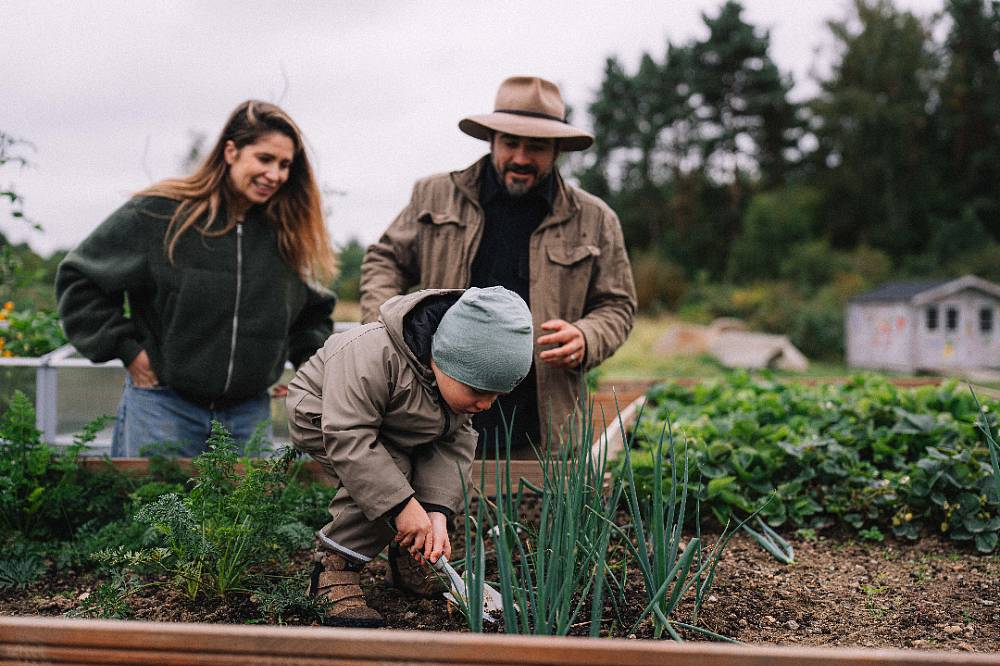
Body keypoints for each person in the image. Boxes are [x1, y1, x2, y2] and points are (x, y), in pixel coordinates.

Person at [361, 75, 637, 457]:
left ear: (557, 149)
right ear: (491, 140)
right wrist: (391, 333)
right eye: (510, 143)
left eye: (537, 147)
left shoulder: (594, 218)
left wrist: (587, 336)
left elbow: (618, 305)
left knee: (534, 516)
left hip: (540, 421)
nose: (521, 158)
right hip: (435, 410)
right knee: (436, 515)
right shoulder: (435, 195)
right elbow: (384, 261)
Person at [56, 100, 337, 457]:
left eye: (285, 165)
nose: (276, 175)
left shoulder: (285, 233)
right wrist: (128, 350)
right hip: (162, 407)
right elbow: (81, 279)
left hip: (248, 417)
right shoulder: (161, 213)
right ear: (231, 151)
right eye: (265, 159)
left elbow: (312, 314)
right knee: (154, 511)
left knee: (246, 515)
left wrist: (308, 371)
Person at [287, 286, 533, 626]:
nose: (486, 404)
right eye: (478, 391)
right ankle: (334, 567)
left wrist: (435, 512)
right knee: (391, 478)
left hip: (394, 423)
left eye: (497, 395)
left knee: (414, 488)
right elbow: (349, 435)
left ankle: (409, 557)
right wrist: (401, 506)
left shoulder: (458, 382)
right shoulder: (369, 355)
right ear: (443, 358)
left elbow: (453, 444)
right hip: (323, 413)